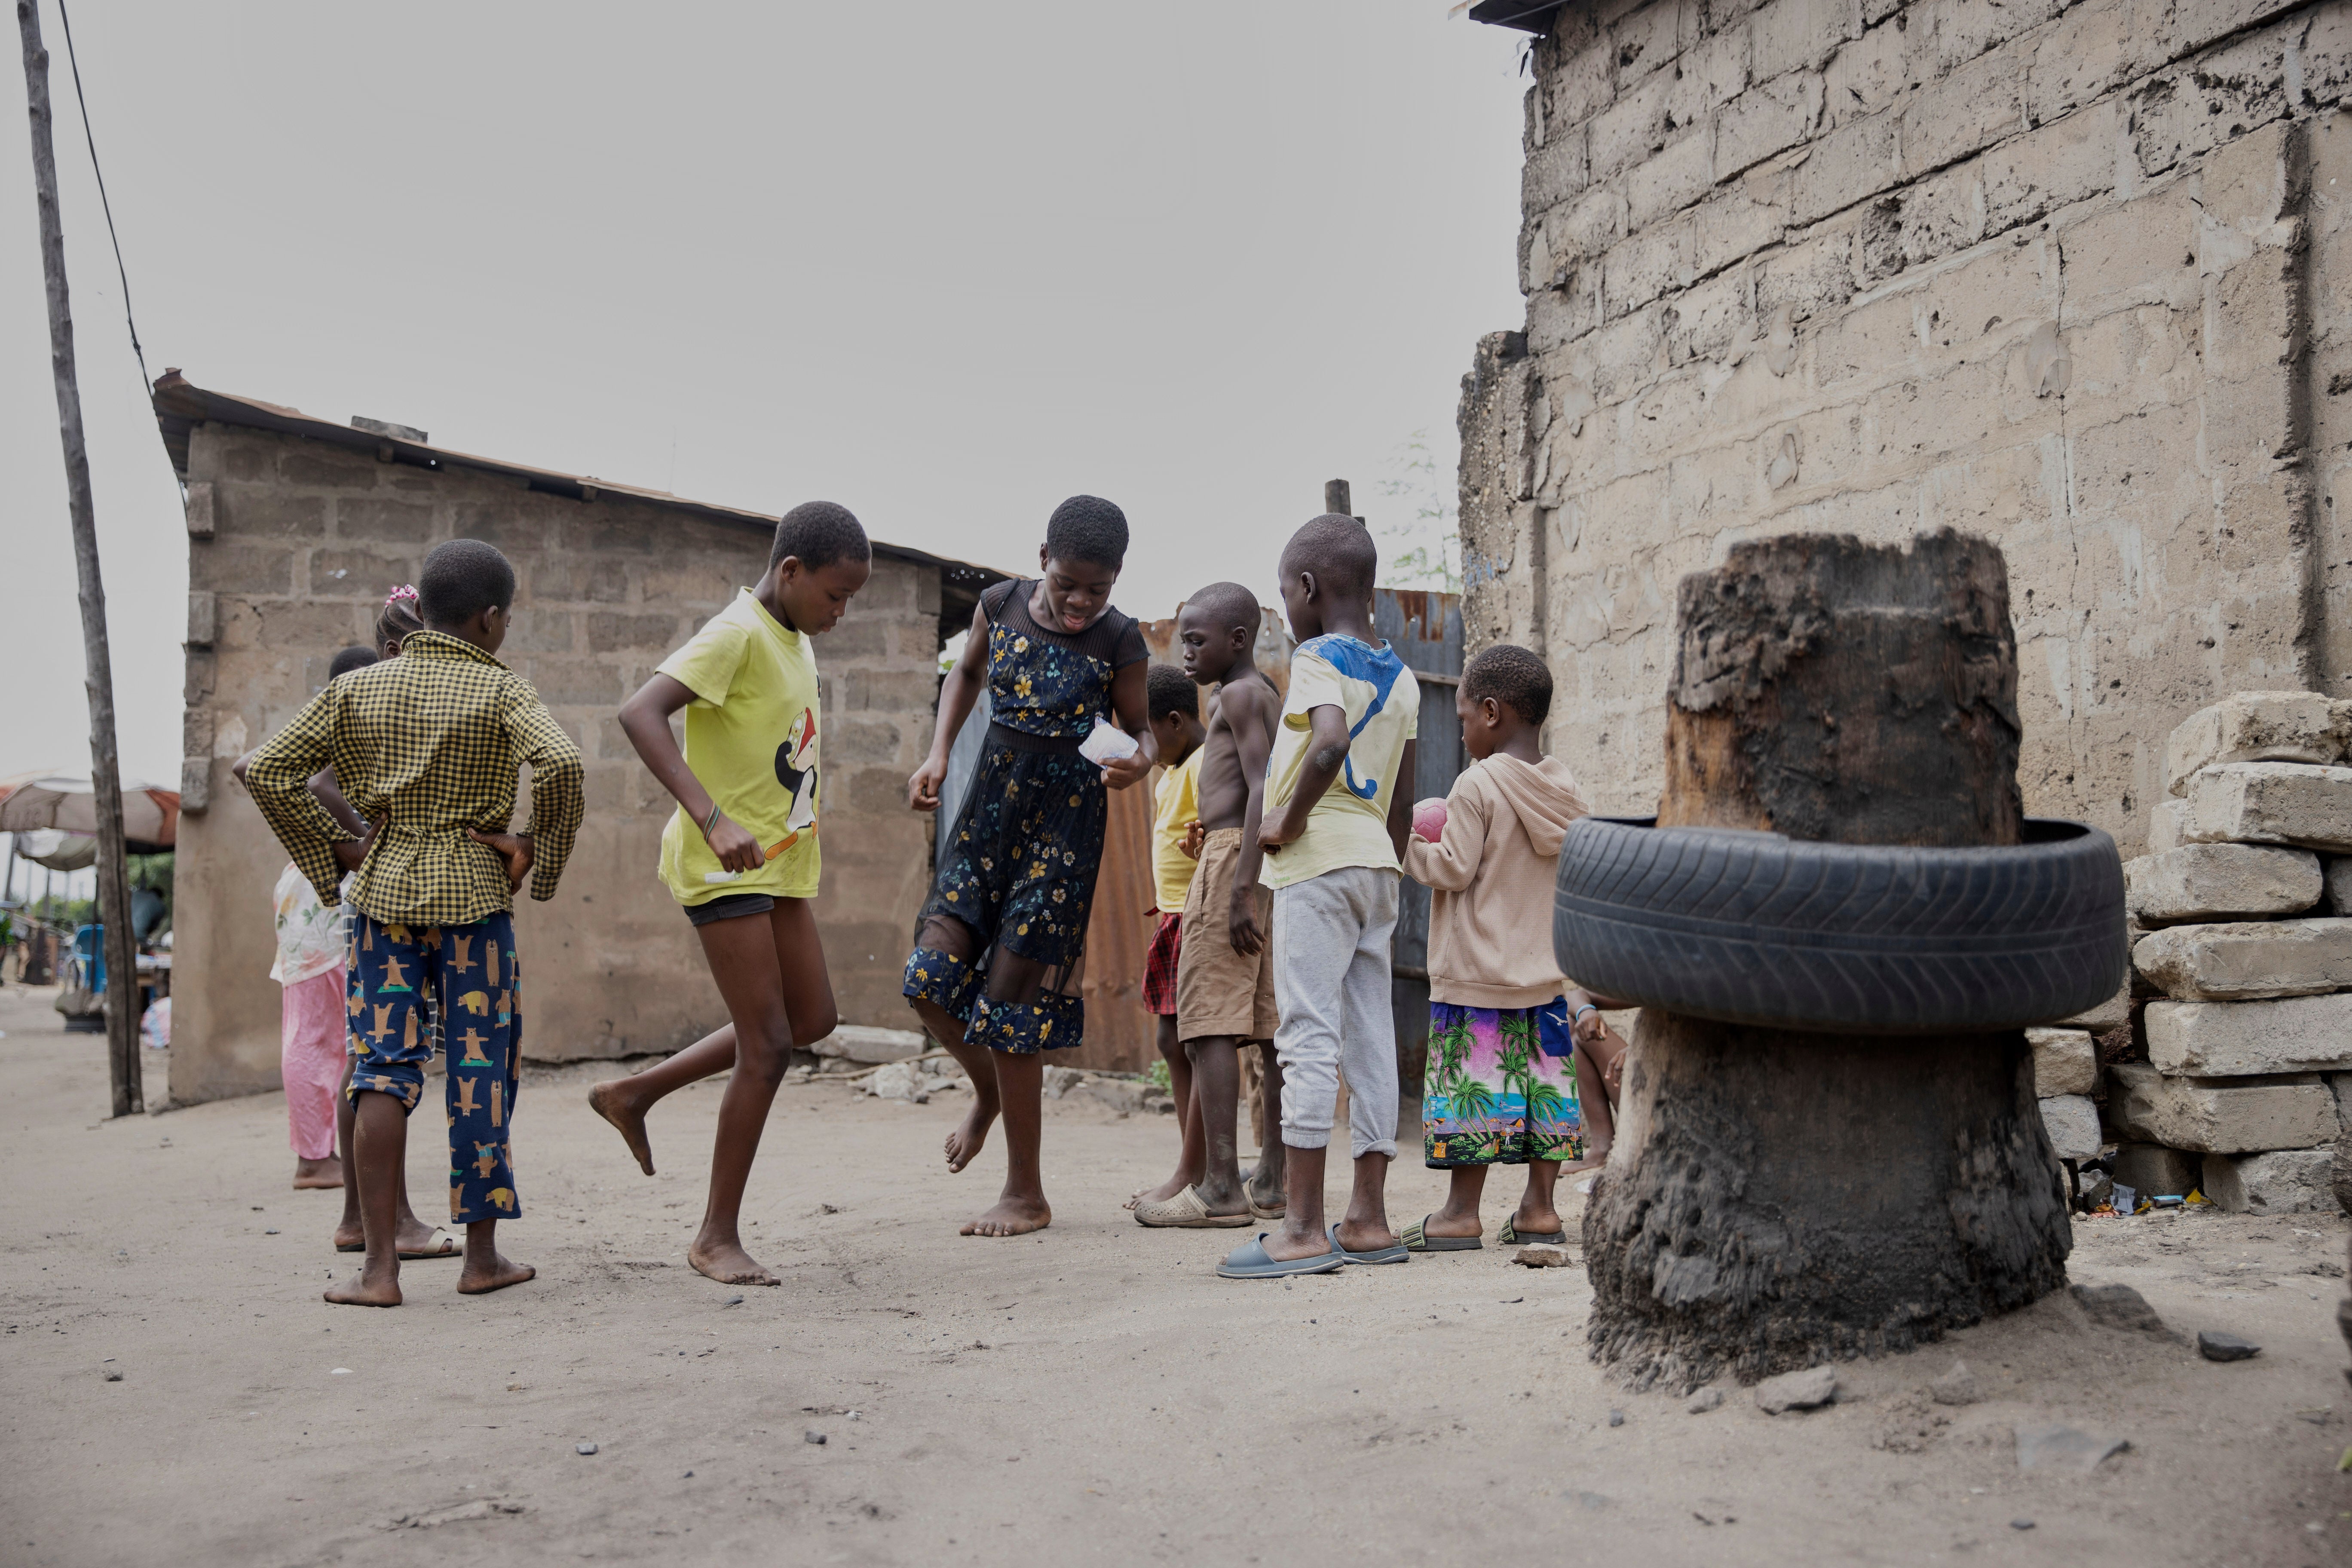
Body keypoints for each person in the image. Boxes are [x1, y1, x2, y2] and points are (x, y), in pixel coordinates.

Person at [244, 538, 583, 1307]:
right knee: (480, 1074)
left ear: (422, 610)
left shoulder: (359, 689)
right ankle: (482, 1260)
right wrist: (538, 851)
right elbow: (562, 765)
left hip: (383, 897)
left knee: (380, 1073)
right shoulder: (503, 690)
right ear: (492, 619)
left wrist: (336, 850)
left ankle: (378, 1272)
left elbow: (268, 768)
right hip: (473, 899)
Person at [588, 502, 870, 1286]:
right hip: (723, 864)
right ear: (790, 572)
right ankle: (715, 1236)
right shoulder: (738, 631)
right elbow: (640, 711)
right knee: (769, 1045)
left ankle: (635, 1090)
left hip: (776, 866)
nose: (841, 614)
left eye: (850, 601)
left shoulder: (793, 638)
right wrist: (710, 817)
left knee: (812, 1019)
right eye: (835, 596)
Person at [903, 495, 1155, 1237]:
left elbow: (1141, 729)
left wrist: (1137, 764)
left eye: (1097, 589)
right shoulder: (998, 602)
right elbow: (966, 674)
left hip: (1064, 834)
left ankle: (1026, 1192)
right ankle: (986, 1093)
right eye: (1068, 582)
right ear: (1042, 554)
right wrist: (939, 750)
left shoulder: (1120, 639)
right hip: (986, 818)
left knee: (1013, 1010)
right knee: (928, 979)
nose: (1080, 602)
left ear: (1115, 581)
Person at [1216, 517, 1418, 1279]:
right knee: (1370, 1037)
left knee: (1306, 1035)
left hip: (1318, 863)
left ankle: (1301, 1228)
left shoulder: (1313, 656)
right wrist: (1385, 865)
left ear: (1304, 589)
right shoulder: (1400, 676)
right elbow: (1399, 797)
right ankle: (1366, 1218)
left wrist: (1284, 820)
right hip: (1375, 868)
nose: (1285, 609)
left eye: (1283, 594)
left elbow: (1327, 743)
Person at [1396, 644, 1597, 1252]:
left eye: (1461, 718)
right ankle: (1539, 1211)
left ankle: (1460, 1214)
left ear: (1490, 712)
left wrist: (1405, 844)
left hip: (1478, 975)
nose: (1460, 731)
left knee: (1475, 1092)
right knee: (1543, 1095)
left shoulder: (1477, 784)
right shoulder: (1564, 789)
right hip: (1544, 980)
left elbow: (1453, 870)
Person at [1138, 582, 1286, 1229]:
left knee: (1206, 1027)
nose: (1186, 653)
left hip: (1233, 860)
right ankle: (1272, 1178)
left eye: (1196, 641)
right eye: (1181, 640)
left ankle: (1221, 1186)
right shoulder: (1259, 695)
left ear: (1239, 640)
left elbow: (1260, 789)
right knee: (1265, 1030)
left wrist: (1240, 887)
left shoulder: (1240, 694)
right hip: (1253, 861)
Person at [268, 643, 380, 1192]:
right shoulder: (344, 727)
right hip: (323, 901)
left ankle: (319, 1152)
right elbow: (316, 784)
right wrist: (360, 842)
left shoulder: (322, 730)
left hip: (306, 898)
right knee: (322, 1036)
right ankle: (314, 1158)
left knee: (322, 1033)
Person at [1129, 665, 1208, 1213]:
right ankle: (1194, 1159)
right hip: (1172, 918)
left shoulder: (1206, 765)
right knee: (1170, 1041)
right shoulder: (1168, 775)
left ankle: (1193, 1168)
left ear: (1175, 722)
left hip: (1199, 919)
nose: (1143, 747)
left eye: (1146, 733)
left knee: (1196, 1042)